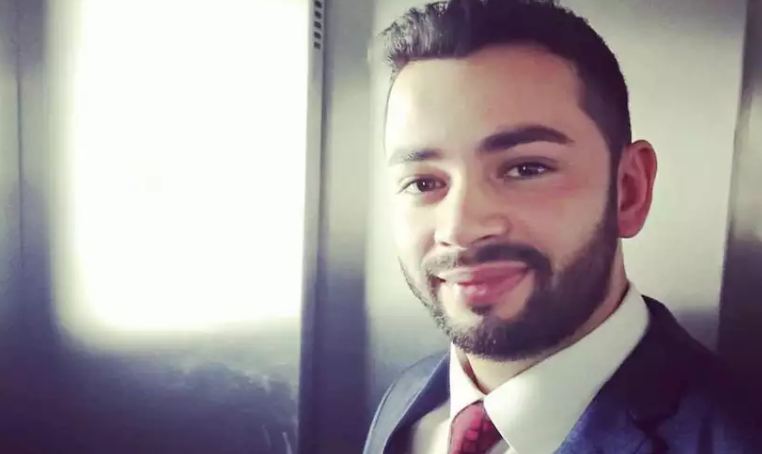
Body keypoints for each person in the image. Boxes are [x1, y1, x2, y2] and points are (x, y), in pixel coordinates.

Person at [363, 1, 762, 453]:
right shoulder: (407, 398)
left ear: (628, 190)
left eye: (526, 168)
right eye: (423, 182)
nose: (460, 227)